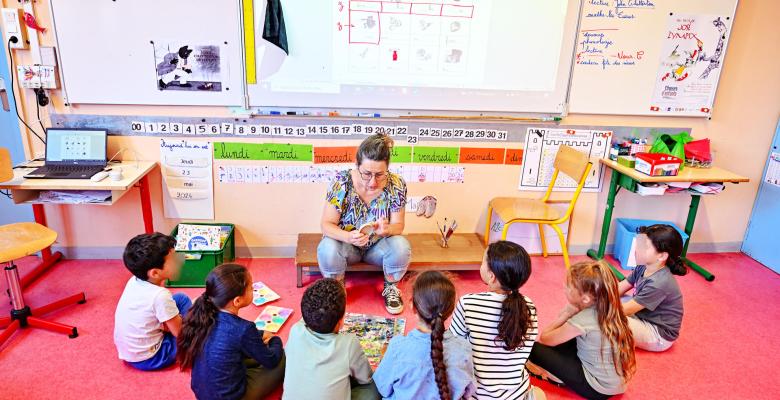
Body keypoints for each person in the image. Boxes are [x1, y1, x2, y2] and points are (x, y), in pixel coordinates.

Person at [318, 133, 410, 314]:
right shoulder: (341, 182)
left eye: (380, 174)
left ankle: (391, 286)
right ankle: (337, 290)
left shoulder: (397, 184)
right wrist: (348, 237)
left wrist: (387, 229)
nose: (373, 182)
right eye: (367, 174)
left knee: (401, 245)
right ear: (357, 165)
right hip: (347, 246)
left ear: (387, 168)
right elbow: (326, 225)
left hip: (377, 247)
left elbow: (399, 226)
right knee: (327, 247)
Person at [528, 261, 636, 400]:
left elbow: (545, 338)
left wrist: (566, 314)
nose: (564, 287)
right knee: (564, 340)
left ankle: (556, 377)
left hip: (597, 390)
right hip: (615, 383)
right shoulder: (609, 308)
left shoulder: (584, 319)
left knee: (533, 348)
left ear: (585, 299)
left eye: (569, 287)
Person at [450, 241, 544, 400]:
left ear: (491, 276)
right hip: (515, 394)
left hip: (476, 395)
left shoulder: (468, 304)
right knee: (539, 394)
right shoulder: (529, 307)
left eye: (482, 261)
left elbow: (452, 346)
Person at [177, 264, 285, 400]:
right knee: (282, 357)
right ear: (237, 301)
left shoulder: (202, 316)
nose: (253, 289)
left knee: (248, 352)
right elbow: (272, 361)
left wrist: (261, 335)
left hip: (202, 393)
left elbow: (230, 337)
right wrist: (275, 340)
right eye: (251, 288)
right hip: (231, 396)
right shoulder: (243, 328)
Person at [373, 271, 476, 400]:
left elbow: (382, 387)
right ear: (450, 310)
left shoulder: (398, 348)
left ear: (412, 305)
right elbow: (468, 391)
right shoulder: (463, 348)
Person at [283, 278, 380, 400]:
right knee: (375, 387)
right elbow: (366, 379)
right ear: (340, 322)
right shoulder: (349, 344)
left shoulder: (295, 330)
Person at [114, 232, 192, 371]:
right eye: (173, 260)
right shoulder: (160, 295)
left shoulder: (134, 280)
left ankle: (169, 325)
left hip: (130, 353)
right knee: (193, 332)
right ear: (155, 273)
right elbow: (180, 333)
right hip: (153, 357)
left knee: (181, 298)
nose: (179, 261)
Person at [619, 224, 685, 352]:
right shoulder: (643, 265)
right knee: (610, 298)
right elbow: (621, 287)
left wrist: (595, 307)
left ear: (661, 256)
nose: (637, 249)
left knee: (609, 319)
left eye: (645, 247)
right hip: (642, 315)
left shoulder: (659, 283)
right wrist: (599, 296)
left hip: (657, 334)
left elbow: (623, 311)